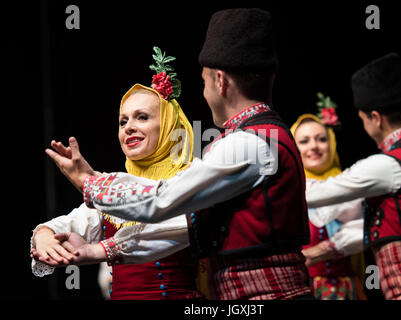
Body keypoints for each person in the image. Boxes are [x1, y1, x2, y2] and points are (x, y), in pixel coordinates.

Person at [42, 8, 313, 300]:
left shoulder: (249, 143)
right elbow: (182, 222)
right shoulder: (257, 138)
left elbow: (162, 200)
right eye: (123, 120)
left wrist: (89, 182)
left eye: (204, 80)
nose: (205, 91)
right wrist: (94, 248)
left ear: (219, 81)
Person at [31, 48, 203, 300]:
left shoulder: (193, 177)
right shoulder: (116, 187)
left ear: (169, 126)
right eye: (123, 122)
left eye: (142, 117)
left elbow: (165, 226)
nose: (129, 127)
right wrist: (45, 236)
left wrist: (90, 184)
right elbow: (65, 224)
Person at [306, 52, 401, 300]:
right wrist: (320, 251)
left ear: (375, 118)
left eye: (362, 119)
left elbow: (318, 194)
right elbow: (377, 227)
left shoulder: (387, 165)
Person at [291, 93, 366, 300]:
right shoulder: (289, 190)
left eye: (321, 139)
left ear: (331, 144)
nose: (314, 146)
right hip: (303, 290)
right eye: (304, 141)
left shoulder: (351, 183)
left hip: (349, 290)